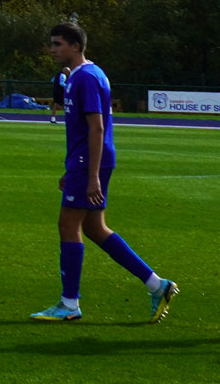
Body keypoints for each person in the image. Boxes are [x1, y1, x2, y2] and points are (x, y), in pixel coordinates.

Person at [30, 22, 178, 323]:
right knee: (95, 228)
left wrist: (91, 174)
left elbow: (96, 126)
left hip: (89, 162)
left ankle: (69, 304)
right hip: (83, 161)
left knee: (67, 224)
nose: (52, 49)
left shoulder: (86, 77)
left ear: (75, 45)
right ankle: (156, 285)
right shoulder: (78, 76)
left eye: (57, 44)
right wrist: (71, 168)